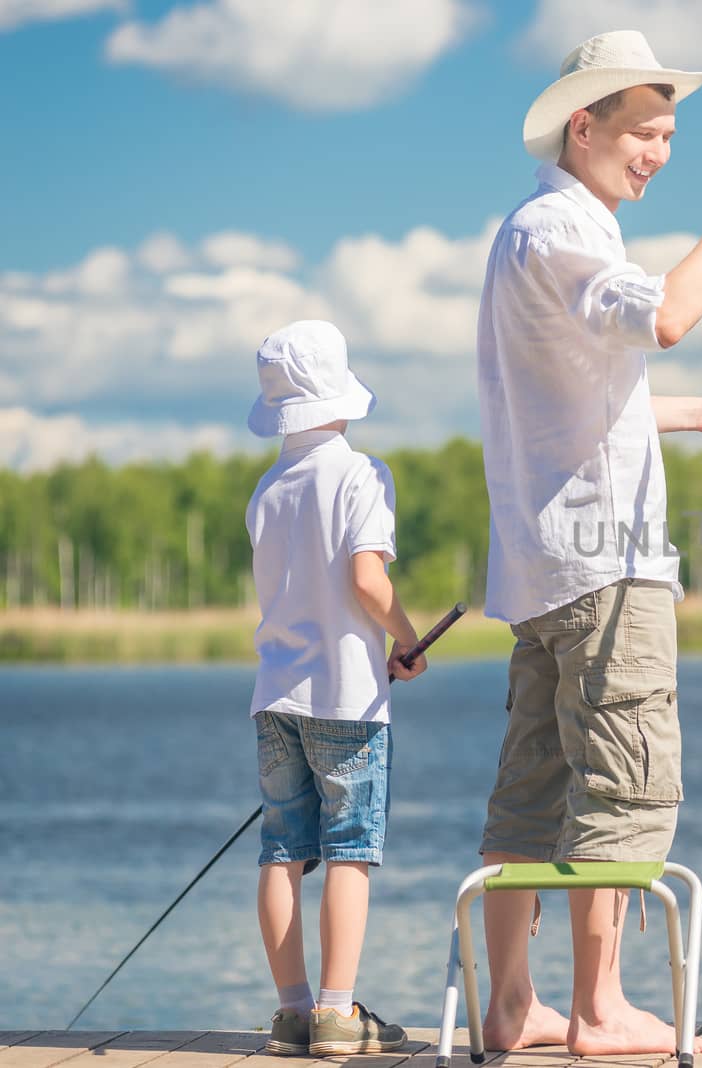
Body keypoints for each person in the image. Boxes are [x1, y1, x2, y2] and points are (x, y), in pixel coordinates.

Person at [475, 29, 702, 1057]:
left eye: (668, 135)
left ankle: (513, 1005)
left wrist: (696, 415)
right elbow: (666, 319)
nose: (656, 151)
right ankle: (598, 1009)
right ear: (584, 124)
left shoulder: (538, 234)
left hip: (545, 568)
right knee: (626, 783)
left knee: (534, 788)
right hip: (607, 568)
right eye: (643, 131)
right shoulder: (566, 231)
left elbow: (585, 404)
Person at [244, 319, 428, 1056]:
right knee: (350, 849)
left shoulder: (266, 488)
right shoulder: (361, 473)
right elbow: (366, 581)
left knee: (281, 849)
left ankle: (291, 1013)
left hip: (275, 695)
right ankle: (337, 1014)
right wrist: (407, 638)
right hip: (347, 698)